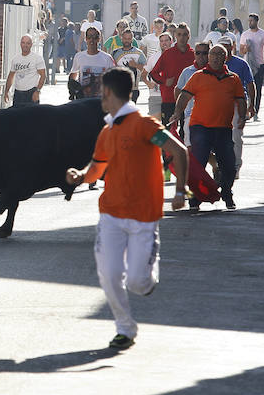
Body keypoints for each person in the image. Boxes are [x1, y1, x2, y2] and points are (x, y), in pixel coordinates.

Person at [66, 68, 188, 350]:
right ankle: (125, 328)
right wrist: (81, 176)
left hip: (143, 216)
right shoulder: (107, 131)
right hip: (111, 215)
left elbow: (177, 150)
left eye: (102, 93)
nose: (100, 98)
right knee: (108, 274)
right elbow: (97, 168)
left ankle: (147, 275)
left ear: (108, 93)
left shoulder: (145, 126)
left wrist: (181, 190)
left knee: (138, 283)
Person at [172, 44, 247, 210]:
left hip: (223, 128)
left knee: (229, 164)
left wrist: (242, 117)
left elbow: (240, 100)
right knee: (198, 164)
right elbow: (184, 96)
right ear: (208, 57)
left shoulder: (233, 78)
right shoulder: (198, 76)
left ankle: (227, 192)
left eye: (220, 54)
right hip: (201, 127)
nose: (215, 57)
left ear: (225, 58)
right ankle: (195, 199)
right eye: (213, 54)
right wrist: (177, 112)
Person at [220, 37, 255, 178]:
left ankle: (235, 166)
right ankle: (222, 166)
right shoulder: (215, 64)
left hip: (238, 103)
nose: (224, 50)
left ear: (232, 46)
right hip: (220, 104)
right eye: (221, 46)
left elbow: (250, 84)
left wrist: (251, 105)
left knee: (236, 135)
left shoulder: (241, 64)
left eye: (227, 46)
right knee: (220, 135)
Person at [149, 22, 195, 127]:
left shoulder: (194, 55)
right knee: (168, 131)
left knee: (186, 133)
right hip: (169, 98)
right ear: (175, 36)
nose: (182, 37)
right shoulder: (168, 54)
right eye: (179, 34)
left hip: (188, 100)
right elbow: (153, 73)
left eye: (185, 34)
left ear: (189, 36)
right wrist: (164, 81)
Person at [173, 41, 211, 151]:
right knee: (190, 147)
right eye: (198, 53)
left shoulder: (217, 71)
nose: (201, 56)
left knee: (207, 148)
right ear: (194, 54)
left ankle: (214, 166)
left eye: (204, 53)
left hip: (211, 117)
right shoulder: (187, 72)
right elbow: (178, 90)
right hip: (190, 116)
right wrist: (179, 110)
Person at [69, 26, 115, 99]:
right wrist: (72, 88)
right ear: (85, 39)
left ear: (99, 39)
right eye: (89, 37)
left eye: (95, 37)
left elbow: (113, 79)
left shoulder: (107, 58)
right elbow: (73, 74)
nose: (92, 40)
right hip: (83, 100)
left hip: (101, 101)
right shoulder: (79, 56)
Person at [239, 13, 264, 121]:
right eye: (249, 21)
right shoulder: (245, 34)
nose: (250, 22)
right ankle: (248, 109)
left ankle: (256, 109)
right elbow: (241, 50)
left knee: (258, 87)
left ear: (257, 21)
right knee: (247, 87)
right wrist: (246, 49)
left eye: (252, 21)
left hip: (260, 64)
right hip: (247, 64)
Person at [3, 35, 45, 108]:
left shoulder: (37, 58)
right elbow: (11, 76)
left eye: (28, 43)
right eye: (23, 43)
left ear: (31, 44)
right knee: (17, 118)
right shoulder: (15, 59)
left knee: (32, 117)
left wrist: (37, 91)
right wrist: (6, 91)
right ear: (20, 44)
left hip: (31, 92)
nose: (25, 45)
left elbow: (43, 76)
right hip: (18, 93)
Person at [111, 29, 147, 100]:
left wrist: (136, 65)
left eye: (129, 38)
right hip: (119, 89)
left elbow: (146, 69)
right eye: (125, 38)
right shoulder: (115, 53)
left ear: (132, 39)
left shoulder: (138, 53)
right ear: (121, 38)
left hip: (133, 89)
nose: (127, 41)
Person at [145, 31, 172, 122]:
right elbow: (143, 74)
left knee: (168, 125)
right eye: (161, 41)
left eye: (166, 40)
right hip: (155, 95)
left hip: (170, 96)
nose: (164, 43)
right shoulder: (153, 57)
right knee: (155, 125)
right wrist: (148, 83)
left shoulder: (176, 56)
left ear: (171, 41)